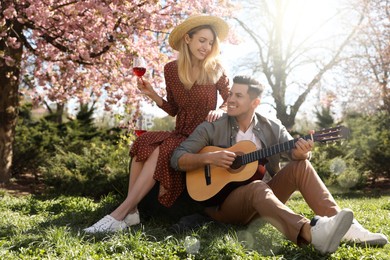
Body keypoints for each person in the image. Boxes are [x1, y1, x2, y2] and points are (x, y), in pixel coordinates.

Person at [171, 75, 388, 254]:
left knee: (300, 166)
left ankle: (348, 229)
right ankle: (309, 232)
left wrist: (302, 153)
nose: (230, 100)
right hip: (224, 207)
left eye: (238, 95)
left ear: (255, 103)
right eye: (231, 94)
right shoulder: (212, 127)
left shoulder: (271, 126)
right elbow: (177, 157)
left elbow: (292, 152)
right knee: (257, 187)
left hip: (265, 204)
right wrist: (209, 158)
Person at [83, 15, 231, 233]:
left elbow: (232, 100)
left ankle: (120, 213)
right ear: (188, 39)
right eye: (202, 40)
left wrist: (219, 110)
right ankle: (132, 213)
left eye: (210, 42)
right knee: (143, 144)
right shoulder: (171, 70)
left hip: (204, 135)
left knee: (162, 149)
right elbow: (173, 108)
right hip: (181, 132)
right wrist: (152, 93)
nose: (207, 47)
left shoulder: (216, 67)